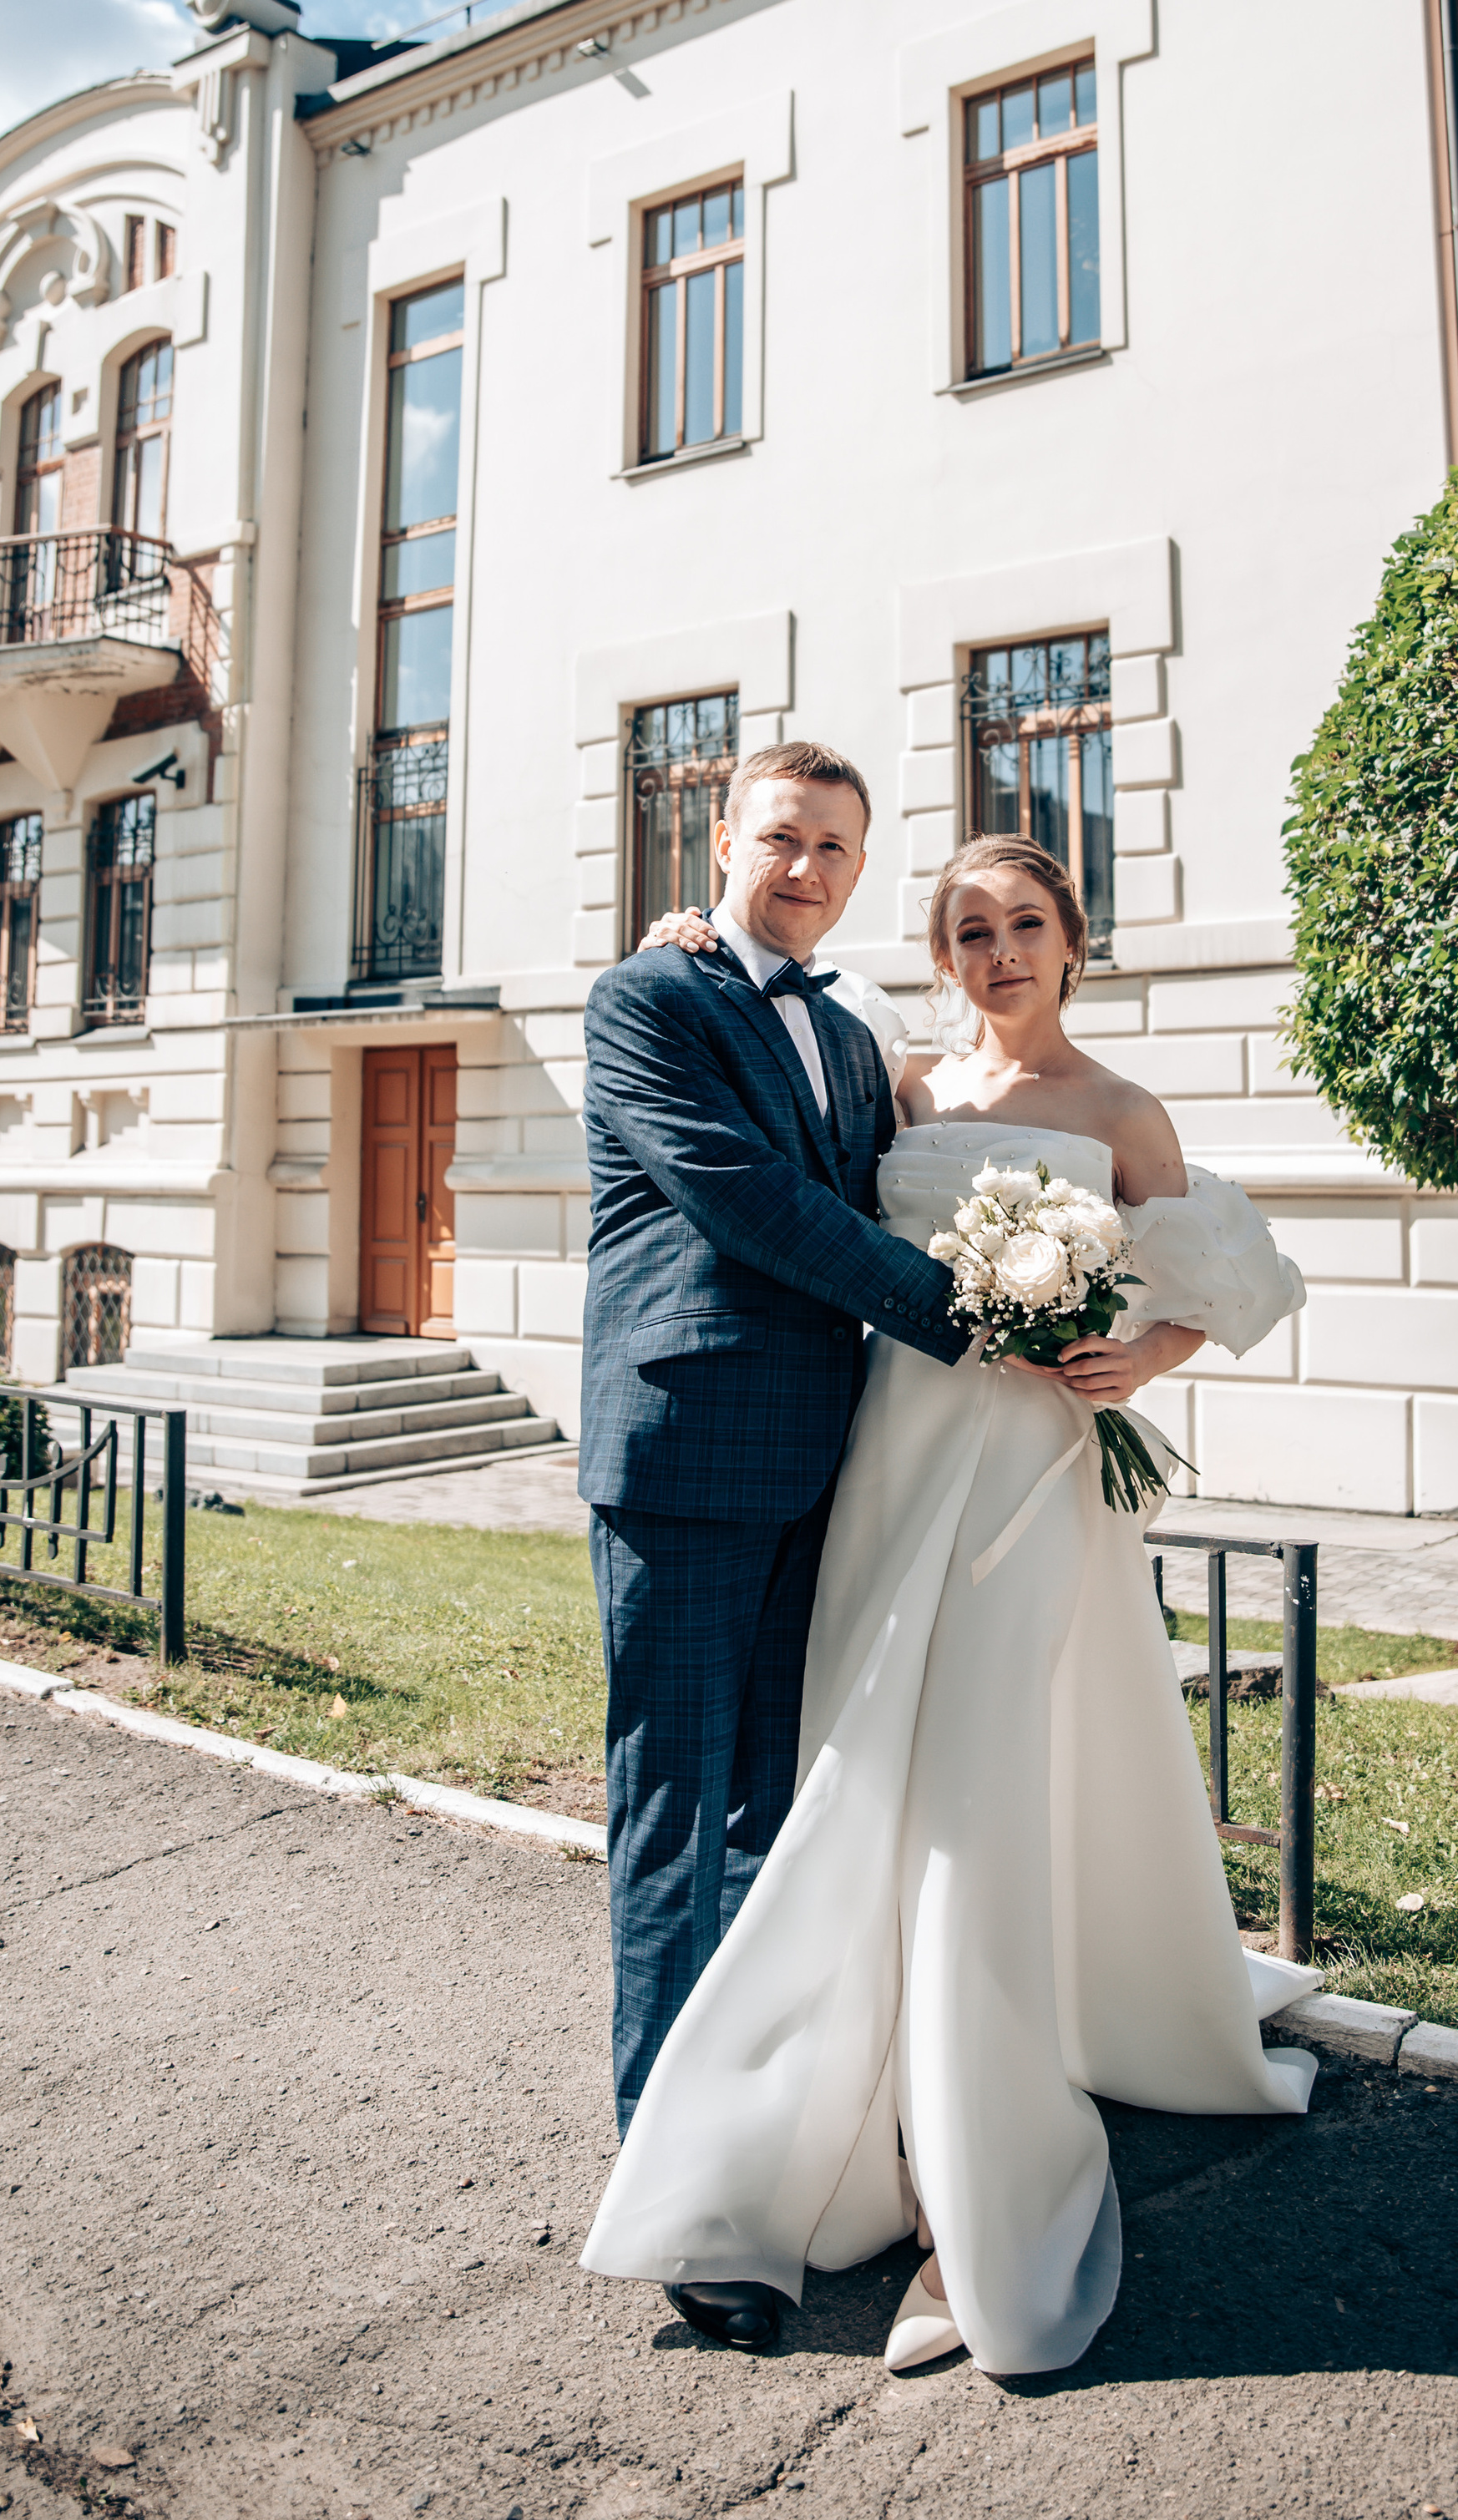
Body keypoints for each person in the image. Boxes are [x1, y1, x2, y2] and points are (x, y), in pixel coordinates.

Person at [581, 833, 1313, 2377]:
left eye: (1027, 923)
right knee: (863, 1791)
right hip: (885, 1469)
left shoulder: (1124, 1110)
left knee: (981, 1793)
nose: (1002, 952)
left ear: (1074, 940)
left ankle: (963, 2193)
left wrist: (1140, 1358)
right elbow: (782, 1162)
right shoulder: (898, 1089)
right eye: (971, 930)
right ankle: (840, 2115)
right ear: (940, 956)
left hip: (1033, 1484)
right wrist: (692, 932)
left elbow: (1217, 1274)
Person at [578, 740, 975, 2356]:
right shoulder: (649, 996)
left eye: (833, 848)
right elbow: (740, 1194)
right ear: (721, 840)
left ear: (858, 870)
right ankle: (676, 2197)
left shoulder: (852, 1028)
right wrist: (960, 1314)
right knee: (677, 1819)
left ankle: (764, 2155)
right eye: (780, 838)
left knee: (775, 1817)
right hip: (686, 1449)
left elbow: (893, 1172)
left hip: (829, 1456)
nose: (803, 868)